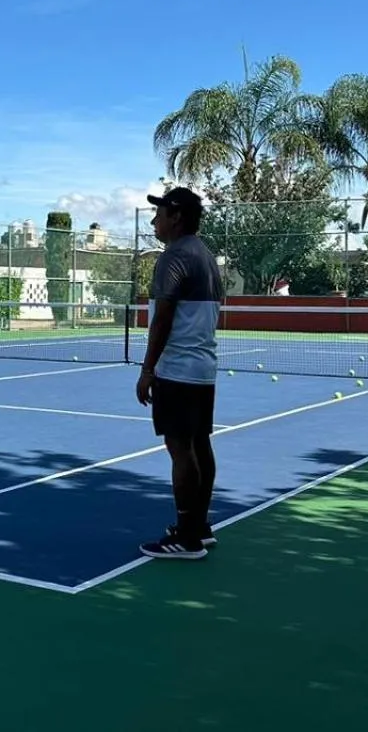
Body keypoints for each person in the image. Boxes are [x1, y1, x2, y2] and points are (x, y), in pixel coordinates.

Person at [135, 186, 224, 559]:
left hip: (177, 370)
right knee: (199, 444)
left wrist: (147, 368)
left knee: (180, 449)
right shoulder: (205, 255)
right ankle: (198, 527)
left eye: (160, 214)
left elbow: (163, 320)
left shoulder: (173, 257)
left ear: (177, 217)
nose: (154, 220)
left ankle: (187, 537)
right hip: (202, 369)